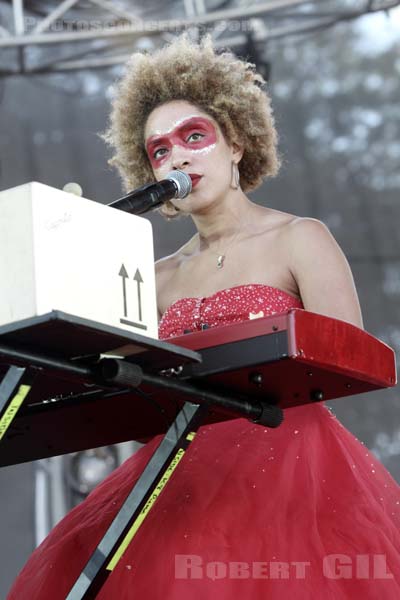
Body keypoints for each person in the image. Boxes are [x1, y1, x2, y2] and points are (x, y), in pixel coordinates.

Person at [8, 35, 400, 600]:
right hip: (175, 474)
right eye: (160, 151)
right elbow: (106, 372)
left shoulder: (300, 237)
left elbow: (351, 362)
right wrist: (70, 252)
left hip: (292, 471)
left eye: (194, 137)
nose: (177, 157)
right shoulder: (155, 274)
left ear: (237, 143)